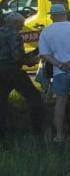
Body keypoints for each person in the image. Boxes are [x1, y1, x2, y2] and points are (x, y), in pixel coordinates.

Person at [37, 3, 70, 143]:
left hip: (59, 72)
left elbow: (44, 54)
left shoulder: (46, 32)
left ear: (52, 16)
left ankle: (59, 135)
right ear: (65, 13)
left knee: (60, 102)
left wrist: (60, 64)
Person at [0, 12, 45, 141]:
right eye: (21, 25)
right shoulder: (14, 35)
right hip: (12, 71)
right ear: (15, 24)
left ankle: (3, 133)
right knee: (34, 96)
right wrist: (31, 61)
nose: (21, 28)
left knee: (2, 101)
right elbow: (17, 57)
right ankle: (37, 129)